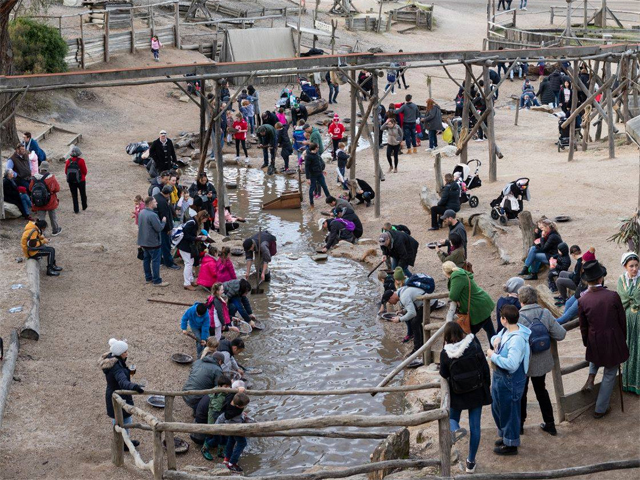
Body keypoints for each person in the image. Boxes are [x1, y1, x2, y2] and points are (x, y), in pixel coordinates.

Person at [578, 260, 629, 418]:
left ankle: (591, 375)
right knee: (609, 373)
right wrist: (622, 340)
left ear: (587, 281)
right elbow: (622, 321)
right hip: (612, 339)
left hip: (594, 339)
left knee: (596, 358)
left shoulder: (583, 300)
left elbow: (583, 327)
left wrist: (588, 343)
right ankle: (600, 409)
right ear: (601, 279)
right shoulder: (613, 296)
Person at [440, 322, 491, 474]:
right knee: (475, 427)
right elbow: (484, 368)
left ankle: (455, 430)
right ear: (461, 332)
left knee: (451, 418)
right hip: (476, 391)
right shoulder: (474, 344)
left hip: (458, 393)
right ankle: (471, 462)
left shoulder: (446, 353)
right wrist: (486, 387)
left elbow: (444, 374)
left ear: (447, 337)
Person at [517, 286, 566, 436]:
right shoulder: (545, 313)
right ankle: (550, 424)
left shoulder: (517, 317)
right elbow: (561, 334)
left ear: (521, 301)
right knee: (541, 391)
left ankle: (519, 425)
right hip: (541, 362)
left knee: (521, 393)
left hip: (523, 363)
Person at [487, 304, 530, 455]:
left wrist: (493, 356)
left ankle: (511, 444)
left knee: (509, 411)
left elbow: (512, 365)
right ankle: (506, 437)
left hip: (510, 379)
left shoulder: (516, 340)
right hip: (501, 377)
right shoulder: (508, 330)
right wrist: (496, 338)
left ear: (504, 319)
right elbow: (497, 336)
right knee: (498, 408)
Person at [99, 338, 144, 449]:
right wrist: (135, 387)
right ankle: (123, 443)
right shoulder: (117, 368)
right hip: (119, 396)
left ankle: (123, 441)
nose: (127, 353)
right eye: (125, 352)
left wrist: (128, 372)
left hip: (113, 394)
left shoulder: (113, 360)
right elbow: (123, 382)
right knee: (125, 420)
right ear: (119, 353)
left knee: (119, 419)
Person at [444, 261, 496, 343]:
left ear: (445, 272)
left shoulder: (456, 277)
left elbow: (453, 295)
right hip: (482, 304)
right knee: (490, 331)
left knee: (470, 336)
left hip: (476, 308)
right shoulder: (461, 272)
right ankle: (495, 351)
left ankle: (480, 354)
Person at [617, 252, 640, 395]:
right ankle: (628, 383)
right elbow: (622, 299)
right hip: (627, 320)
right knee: (629, 348)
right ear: (625, 266)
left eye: (636, 265)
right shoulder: (621, 280)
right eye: (631, 266)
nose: (634, 269)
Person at [387, 282, 427, 358]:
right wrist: (403, 311)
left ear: (391, 297)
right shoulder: (400, 291)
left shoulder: (403, 297)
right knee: (415, 322)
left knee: (414, 323)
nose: (391, 304)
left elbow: (412, 313)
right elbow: (411, 303)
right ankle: (422, 342)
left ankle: (417, 349)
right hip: (422, 302)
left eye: (389, 302)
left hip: (429, 302)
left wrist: (399, 319)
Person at [216, 392, 251, 472]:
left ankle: (227, 458)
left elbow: (232, 393)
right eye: (243, 406)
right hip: (236, 428)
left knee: (231, 441)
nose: (244, 407)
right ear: (238, 406)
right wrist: (216, 427)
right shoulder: (232, 412)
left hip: (230, 426)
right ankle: (232, 463)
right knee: (242, 443)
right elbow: (221, 417)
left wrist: (241, 414)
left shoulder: (230, 400)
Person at [137, 196, 168, 287]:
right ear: (150, 203)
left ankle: (148, 278)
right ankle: (157, 281)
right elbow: (159, 228)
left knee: (146, 259)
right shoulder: (153, 215)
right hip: (153, 242)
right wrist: (164, 222)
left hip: (144, 241)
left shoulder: (142, 212)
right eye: (155, 202)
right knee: (155, 261)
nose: (157, 203)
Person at [200, 374, 233, 458]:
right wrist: (222, 422)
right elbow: (215, 413)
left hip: (221, 417)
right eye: (225, 386)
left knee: (224, 436)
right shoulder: (218, 397)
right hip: (215, 419)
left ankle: (221, 451)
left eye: (229, 386)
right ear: (219, 386)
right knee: (216, 437)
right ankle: (205, 448)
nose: (228, 389)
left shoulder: (224, 393)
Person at [177, 210, 208, 291]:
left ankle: (190, 280)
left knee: (190, 262)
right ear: (202, 217)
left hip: (186, 246)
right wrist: (196, 238)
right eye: (205, 219)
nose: (205, 221)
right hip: (185, 246)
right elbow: (185, 235)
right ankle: (186, 283)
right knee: (188, 264)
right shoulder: (192, 223)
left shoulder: (193, 221)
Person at [29, 161, 62, 236]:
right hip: (50, 201)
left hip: (38, 201)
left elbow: (30, 188)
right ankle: (55, 230)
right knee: (52, 216)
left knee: (41, 218)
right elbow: (57, 188)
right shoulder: (51, 177)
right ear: (47, 168)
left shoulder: (34, 178)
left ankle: (41, 232)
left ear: (40, 168)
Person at [154, 184, 179, 269]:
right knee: (166, 245)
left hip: (158, 226)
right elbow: (165, 216)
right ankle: (169, 263)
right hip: (164, 227)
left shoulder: (156, 196)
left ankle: (161, 260)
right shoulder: (163, 202)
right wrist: (168, 228)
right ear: (168, 193)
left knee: (161, 244)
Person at [63, 146, 89, 214]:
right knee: (83, 193)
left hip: (71, 181)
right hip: (81, 180)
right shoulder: (81, 161)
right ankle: (84, 206)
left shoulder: (68, 161)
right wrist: (82, 176)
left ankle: (76, 209)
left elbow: (66, 171)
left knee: (74, 195)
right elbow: (85, 171)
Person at [304, 142, 330, 208]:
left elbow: (318, 163)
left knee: (324, 186)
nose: (319, 148)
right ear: (315, 148)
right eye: (318, 147)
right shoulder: (308, 156)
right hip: (313, 175)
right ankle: (311, 203)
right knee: (312, 189)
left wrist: (322, 170)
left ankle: (330, 199)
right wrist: (308, 178)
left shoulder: (317, 154)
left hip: (320, 174)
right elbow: (306, 167)